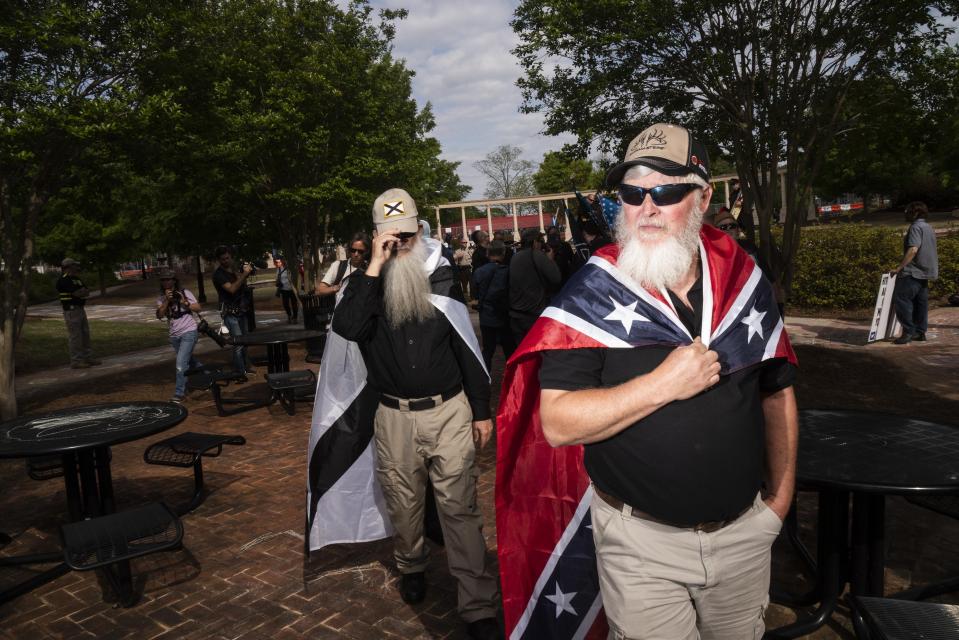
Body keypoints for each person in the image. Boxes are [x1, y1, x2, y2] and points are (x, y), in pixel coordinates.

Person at [496, 122, 799, 639]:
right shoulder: (591, 293)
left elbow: (777, 391)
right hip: (641, 547)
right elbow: (559, 422)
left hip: (744, 536)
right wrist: (664, 384)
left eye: (666, 190)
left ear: (702, 197)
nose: (647, 208)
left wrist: (777, 505)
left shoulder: (743, 280)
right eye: (633, 193)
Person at [332, 188, 501, 640]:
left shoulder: (442, 277)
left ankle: (478, 604)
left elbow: (468, 349)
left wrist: (481, 411)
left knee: (460, 509)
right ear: (375, 237)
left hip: (448, 411)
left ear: (419, 230)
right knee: (404, 505)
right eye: (391, 237)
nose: (400, 244)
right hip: (393, 417)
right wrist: (374, 264)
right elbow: (347, 328)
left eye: (406, 235)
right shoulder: (363, 287)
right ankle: (412, 564)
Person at [712, 207, 786, 318]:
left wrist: (778, 303)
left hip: (753, 308)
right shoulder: (710, 254)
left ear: (737, 230)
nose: (728, 229)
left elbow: (768, 278)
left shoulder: (750, 248)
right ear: (716, 231)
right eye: (723, 227)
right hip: (726, 314)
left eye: (732, 226)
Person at [891, 200, 939, 344]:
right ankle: (919, 332)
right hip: (925, 272)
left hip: (913, 272)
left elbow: (913, 249)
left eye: (907, 211)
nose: (905, 213)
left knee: (901, 299)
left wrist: (900, 268)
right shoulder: (928, 227)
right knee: (920, 303)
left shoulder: (915, 227)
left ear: (916, 212)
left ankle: (908, 332)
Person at [155, 268, 202, 403]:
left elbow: (198, 307)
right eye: (163, 280)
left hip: (189, 331)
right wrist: (167, 301)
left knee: (181, 363)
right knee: (189, 361)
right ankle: (208, 375)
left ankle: (179, 393)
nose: (166, 282)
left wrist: (184, 302)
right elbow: (160, 315)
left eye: (168, 279)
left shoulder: (185, 293)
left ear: (174, 280)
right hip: (174, 335)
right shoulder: (161, 298)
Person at [508, 228, 561, 344]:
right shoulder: (537, 255)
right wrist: (550, 260)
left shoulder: (515, 257)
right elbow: (556, 278)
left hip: (516, 314)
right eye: (541, 241)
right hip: (533, 315)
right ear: (534, 242)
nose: (542, 244)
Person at [472, 240, 515, 370]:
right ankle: (512, 378)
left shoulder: (479, 272)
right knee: (509, 350)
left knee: (488, 350)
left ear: (487, 254)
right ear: (503, 254)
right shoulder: (509, 271)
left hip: (486, 316)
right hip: (504, 316)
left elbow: (475, 295)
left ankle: (486, 378)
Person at [212, 245, 254, 376]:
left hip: (241, 310)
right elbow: (231, 289)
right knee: (238, 343)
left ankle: (245, 366)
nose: (225, 261)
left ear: (231, 257)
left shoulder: (235, 270)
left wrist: (244, 273)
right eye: (222, 259)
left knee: (245, 341)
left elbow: (242, 286)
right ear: (219, 260)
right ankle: (240, 371)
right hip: (230, 313)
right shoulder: (218, 275)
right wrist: (244, 274)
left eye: (227, 258)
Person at [56, 258, 100, 369]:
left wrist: (81, 292)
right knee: (75, 336)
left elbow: (86, 291)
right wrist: (80, 292)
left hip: (80, 308)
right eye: (74, 265)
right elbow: (76, 293)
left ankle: (87, 358)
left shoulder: (77, 279)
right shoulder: (64, 280)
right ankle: (76, 360)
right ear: (68, 267)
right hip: (71, 310)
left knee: (85, 334)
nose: (76, 267)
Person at [315, 232, 369, 299]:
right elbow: (319, 291)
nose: (356, 254)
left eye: (360, 251)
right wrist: (334, 288)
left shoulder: (370, 270)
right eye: (353, 250)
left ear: (366, 252)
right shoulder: (338, 266)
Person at [274, 258, 299, 324]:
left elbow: (294, 278)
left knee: (294, 304)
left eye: (279, 262)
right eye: (277, 262)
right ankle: (289, 316)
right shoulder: (278, 270)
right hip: (284, 289)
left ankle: (295, 318)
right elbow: (277, 279)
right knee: (285, 304)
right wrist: (278, 281)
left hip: (292, 289)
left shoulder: (290, 269)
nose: (278, 264)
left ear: (283, 262)